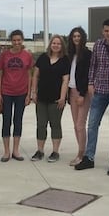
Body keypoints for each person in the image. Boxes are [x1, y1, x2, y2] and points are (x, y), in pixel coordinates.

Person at [74, 18, 109, 174]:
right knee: (92, 124)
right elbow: (93, 66)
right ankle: (89, 157)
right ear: (102, 31)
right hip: (99, 91)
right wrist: (91, 83)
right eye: (106, 31)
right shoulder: (98, 45)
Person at [29, 35, 70, 163]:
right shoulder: (43, 58)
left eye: (58, 43)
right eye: (54, 43)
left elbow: (65, 80)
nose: (56, 45)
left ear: (62, 46)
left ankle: (55, 151)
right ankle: (40, 151)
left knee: (55, 124)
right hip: (41, 97)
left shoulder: (65, 60)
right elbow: (35, 76)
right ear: (50, 45)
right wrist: (33, 92)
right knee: (41, 125)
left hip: (56, 99)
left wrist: (63, 97)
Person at [0, 29, 34, 162]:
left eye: (19, 40)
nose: (16, 42)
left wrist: (29, 94)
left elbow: (30, 75)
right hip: (6, 92)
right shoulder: (5, 55)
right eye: (14, 40)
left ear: (22, 40)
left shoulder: (27, 56)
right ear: (11, 41)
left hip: (21, 93)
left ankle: (16, 150)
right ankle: (6, 151)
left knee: (18, 121)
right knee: (6, 121)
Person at [67, 26, 92, 166]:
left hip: (82, 93)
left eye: (79, 36)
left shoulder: (87, 54)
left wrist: (83, 94)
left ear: (83, 38)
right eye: (74, 36)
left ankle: (82, 154)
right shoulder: (70, 55)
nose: (76, 38)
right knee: (75, 125)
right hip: (72, 92)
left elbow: (87, 76)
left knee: (80, 125)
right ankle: (81, 150)